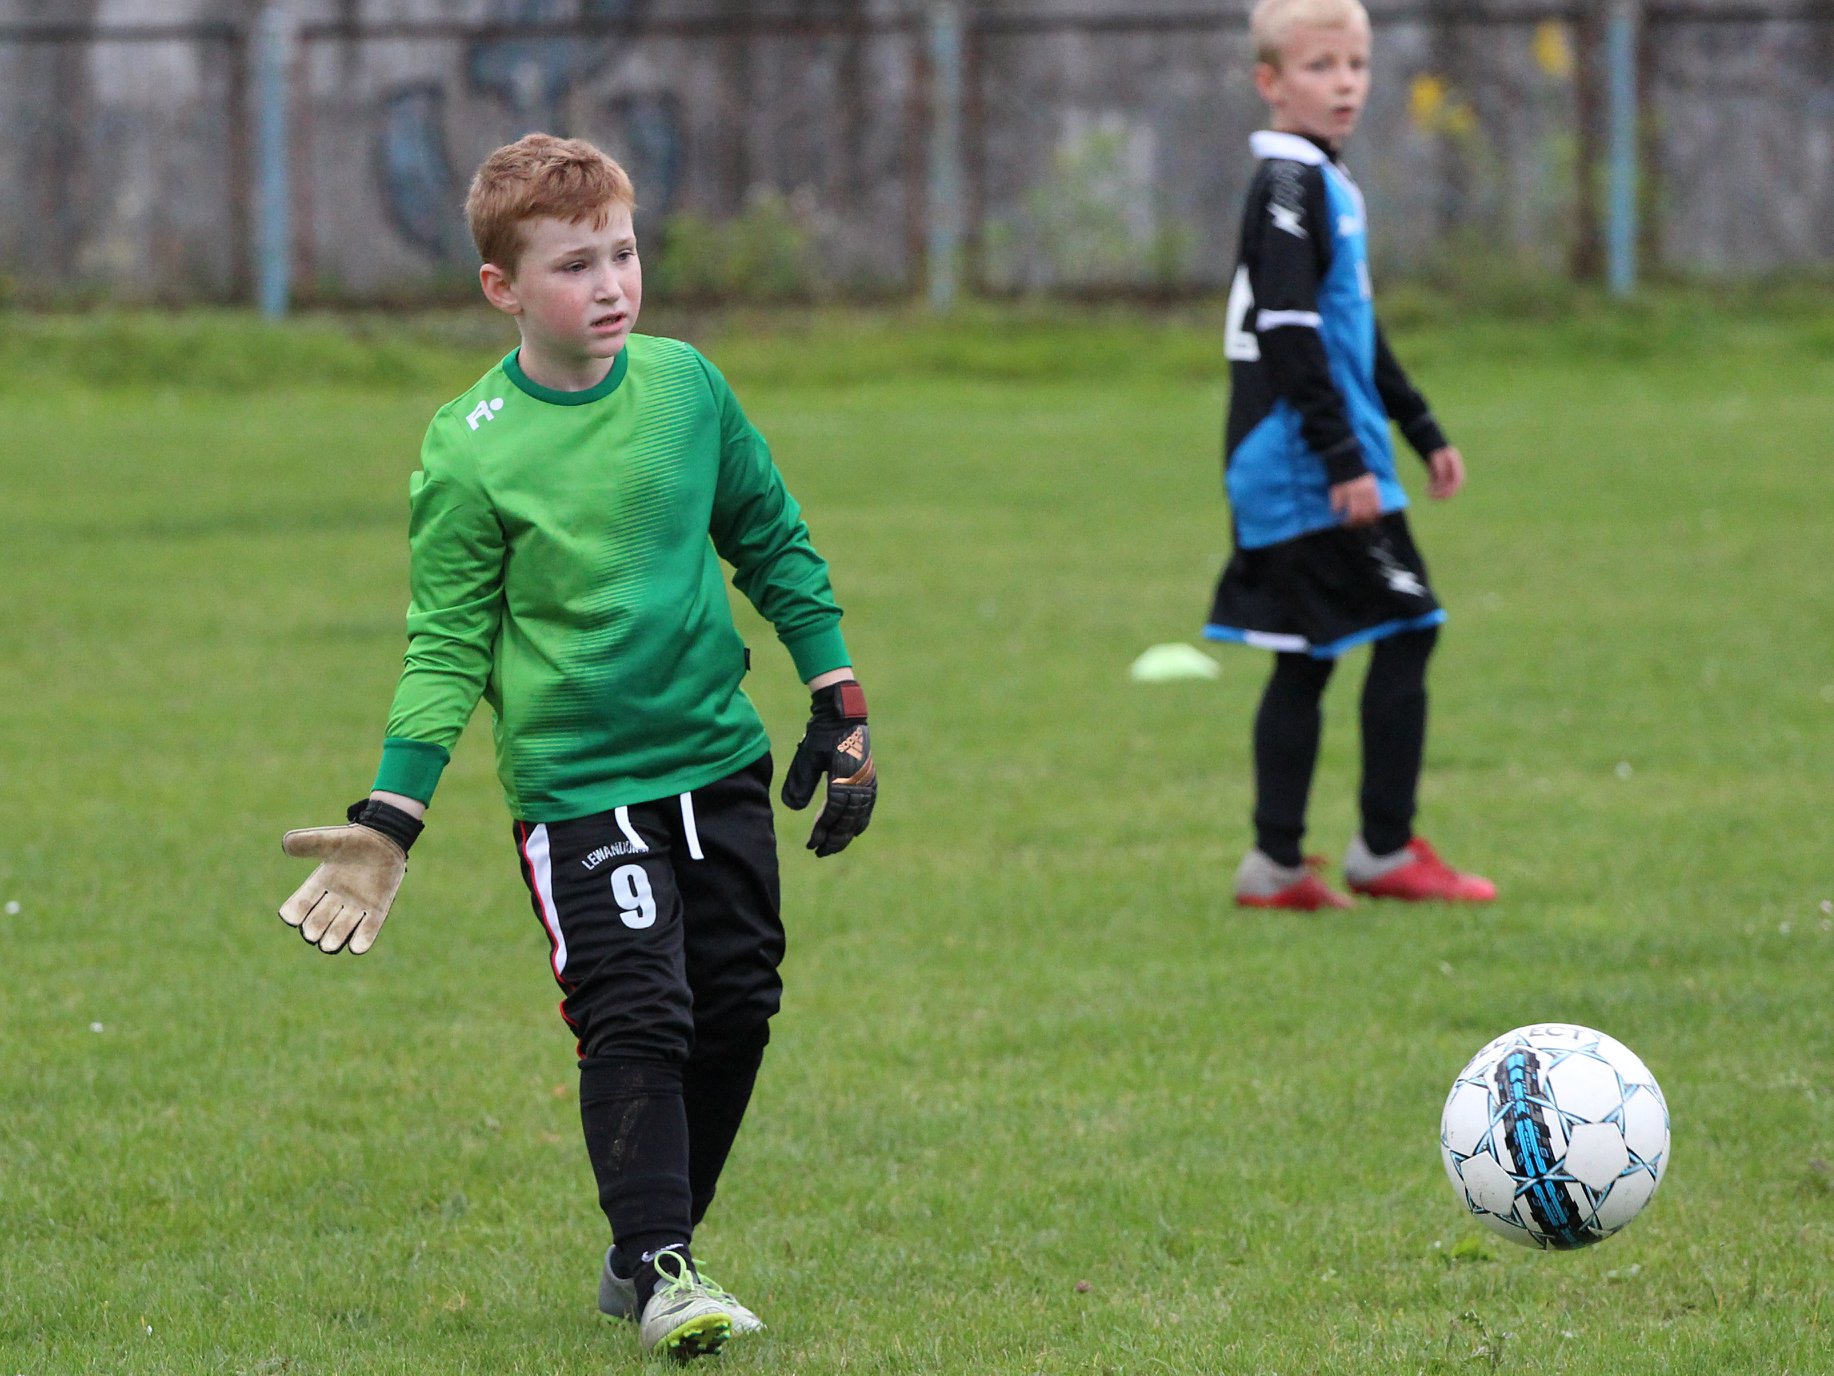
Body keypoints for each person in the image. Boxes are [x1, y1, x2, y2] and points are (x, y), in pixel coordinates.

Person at [275, 133, 877, 1360]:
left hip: (715, 758)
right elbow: (447, 644)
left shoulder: (686, 388)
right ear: (501, 287)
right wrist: (391, 816)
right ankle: (662, 1266)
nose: (611, 285)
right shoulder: (471, 444)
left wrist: (838, 696)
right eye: (574, 265)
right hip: (580, 786)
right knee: (637, 1007)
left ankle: (646, 1246)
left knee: (738, 1004)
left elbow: (768, 534)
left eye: (623, 253)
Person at [1206, 0, 1495, 910]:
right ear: (1270, 82)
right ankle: (1382, 850)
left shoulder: (1318, 181)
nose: (1345, 84)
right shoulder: (1291, 186)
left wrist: (1420, 427)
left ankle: (1276, 866)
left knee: (1309, 652)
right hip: (1301, 462)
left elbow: (1350, 333)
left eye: (1357, 65)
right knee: (1407, 625)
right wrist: (1342, 459)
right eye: (1320, 66)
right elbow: (1290, 332)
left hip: (1296, 456)